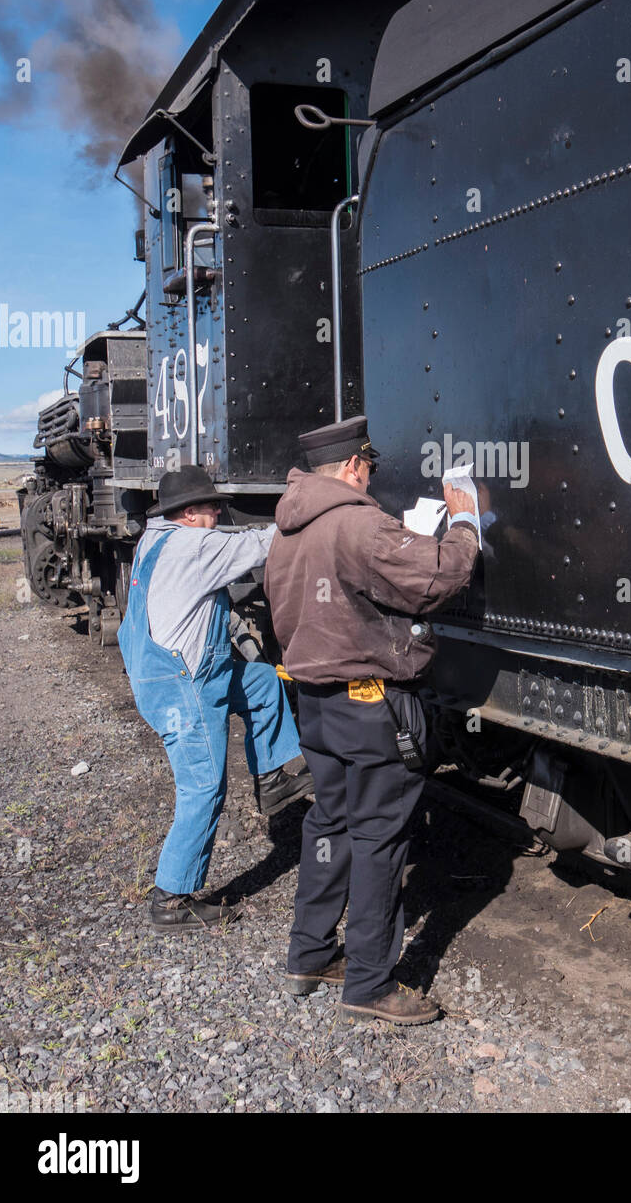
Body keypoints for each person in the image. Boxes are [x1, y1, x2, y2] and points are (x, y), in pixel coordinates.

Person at [264, 416, 479, 1025]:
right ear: (355, 466)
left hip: (315, 701)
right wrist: (463, 520)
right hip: (369, 703)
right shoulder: (358, 522)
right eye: (371, 469)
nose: (371, 479)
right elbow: (440, 576)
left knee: (328, 823)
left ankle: (309, 954)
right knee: (380, 837)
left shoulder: (286, 529)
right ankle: (369, 983)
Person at [119, 465, 312, 932]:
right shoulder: (193, 545)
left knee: (263, 682)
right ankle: (171, 899)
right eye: (211, 508)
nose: (218, 514)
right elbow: (261, 544)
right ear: (188, 513)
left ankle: (270, 778)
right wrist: (309, 512)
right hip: (180, 686)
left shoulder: (154, 539)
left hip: (174, 673)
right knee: (203, 787)